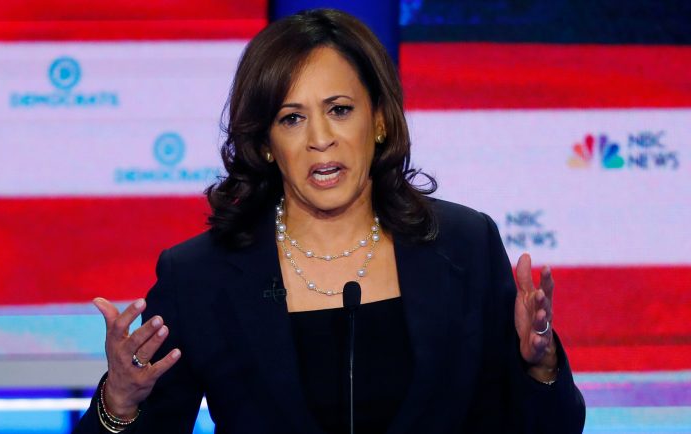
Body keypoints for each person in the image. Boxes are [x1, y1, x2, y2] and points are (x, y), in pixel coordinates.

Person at [73, 8, 585, 434]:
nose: (320, 137)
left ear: (379, 119)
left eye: (339, 110)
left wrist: (538, 367)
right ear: (267, 145)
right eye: (291, 118)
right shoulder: (200, 277)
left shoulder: (462, 246)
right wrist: (119, 403)